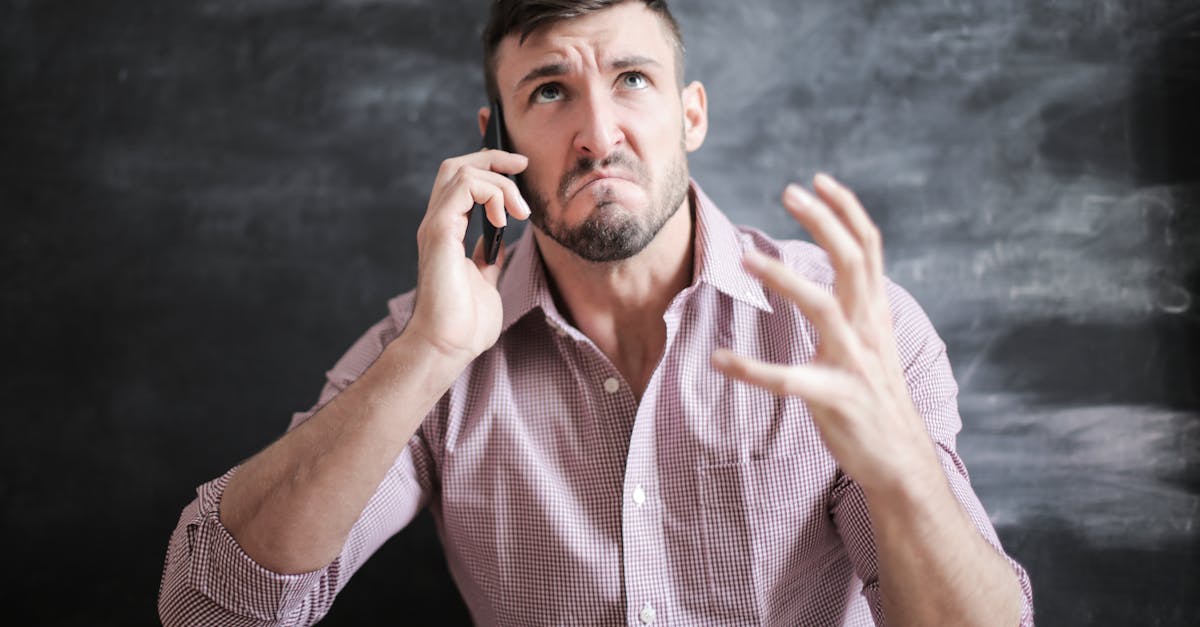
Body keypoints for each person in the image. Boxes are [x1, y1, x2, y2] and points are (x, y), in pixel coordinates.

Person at [158, 1, 1034, 625]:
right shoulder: (429, 347)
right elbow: (209, 610)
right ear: (493, 136)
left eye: (633, 78)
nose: (598, 132)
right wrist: (429, 351)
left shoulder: (848, 327)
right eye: (549, 91)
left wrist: (904, 474)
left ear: (690, 114)